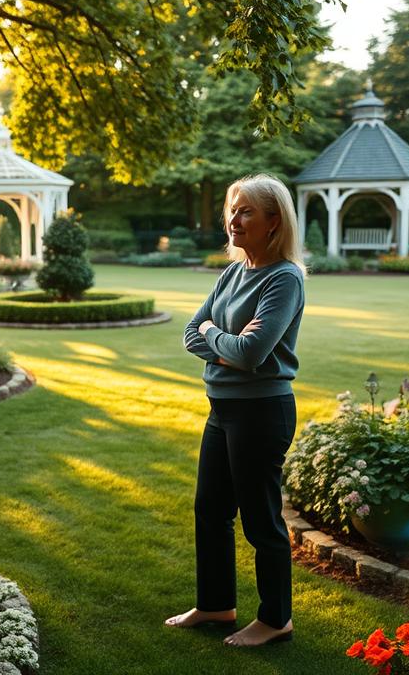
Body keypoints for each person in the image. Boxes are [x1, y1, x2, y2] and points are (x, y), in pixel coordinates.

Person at [165, 173, 306, 647]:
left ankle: (275, 619)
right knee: (210, 511)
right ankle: (216, 605)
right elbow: (189, 332)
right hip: (221, 408)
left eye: (246, 210)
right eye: (232, 209)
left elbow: (251, 353)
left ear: (273, 221)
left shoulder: (283, 278)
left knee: (261, 521)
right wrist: (220, 340)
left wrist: (212, 335)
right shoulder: (232, 272)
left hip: (262, 413)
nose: (234, 218)